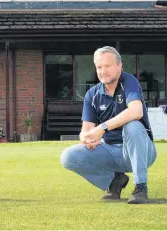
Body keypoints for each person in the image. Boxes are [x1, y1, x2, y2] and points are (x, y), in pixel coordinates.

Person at [60, 46, 157, 204]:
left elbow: (136, 111)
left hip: (141, 152)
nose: (103, 71)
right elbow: (86, 129)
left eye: (107, 66)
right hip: (111, 150)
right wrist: (87, 138)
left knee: (132, 125)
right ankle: (114, 181)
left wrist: (102, 128)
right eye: (99, 67)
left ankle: (140, 187)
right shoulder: (92, 94)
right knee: (68, 157)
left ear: (119, 66)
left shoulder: (129, 82)